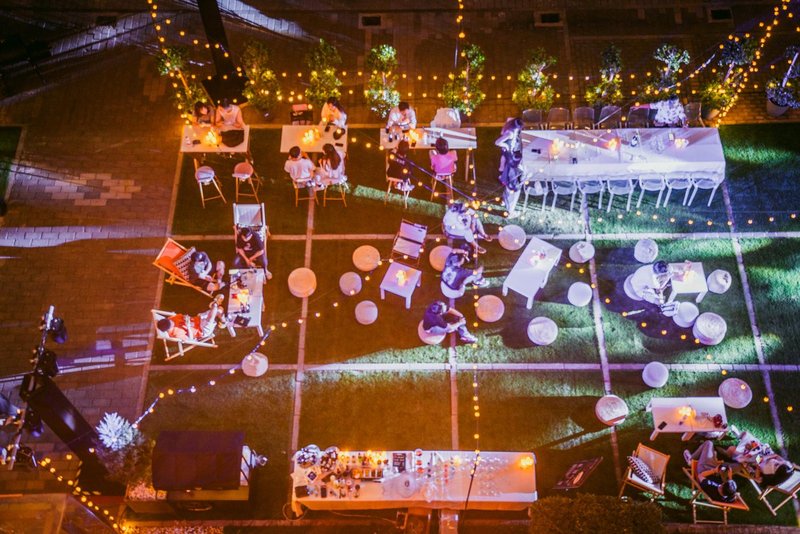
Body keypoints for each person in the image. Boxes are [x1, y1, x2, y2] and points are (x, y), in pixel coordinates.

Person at [495, 118, 526, 218]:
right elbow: (497, 142)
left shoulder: (509, 123)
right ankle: (510, 212)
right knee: (514, 185)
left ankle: (504, 200)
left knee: (508, 180)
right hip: (510, 159)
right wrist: (506, 146)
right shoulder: (510, 133)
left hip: (510, 157)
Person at [157, 299, 226, 341]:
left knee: (220, 309)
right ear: (169, 328)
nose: (173, 321)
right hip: (201, 330)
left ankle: (223, 322)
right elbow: (190, 339)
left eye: (171, 320)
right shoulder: (176, 334)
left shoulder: (170, 319)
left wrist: (186, 317)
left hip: (198, 319)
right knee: (212, 316)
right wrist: (188, 326)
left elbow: (182, 316)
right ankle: (215, 305)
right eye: (172, 324)